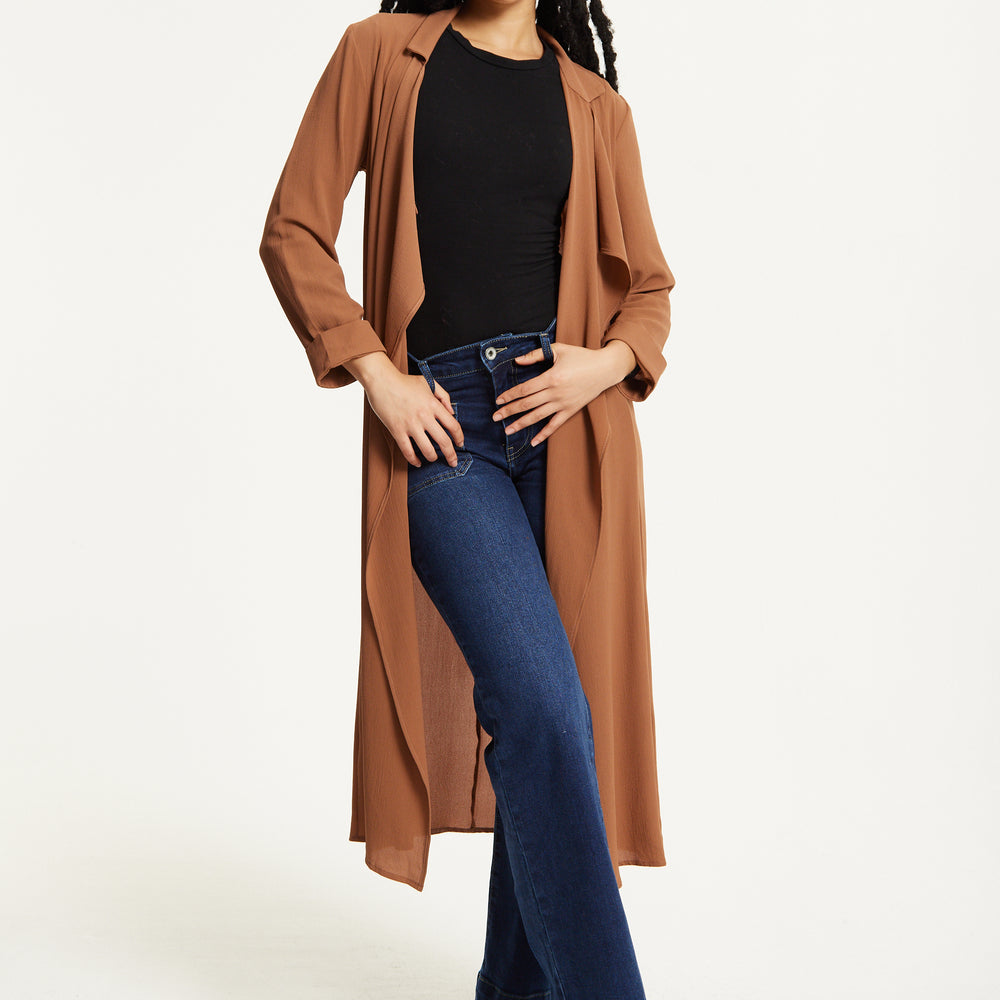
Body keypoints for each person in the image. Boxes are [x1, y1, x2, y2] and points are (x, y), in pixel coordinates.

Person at [258, 2, 676, 998]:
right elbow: (294, 229)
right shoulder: (381, 55)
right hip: (446, 429)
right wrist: (378, 374)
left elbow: (651, 291)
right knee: (540, 703)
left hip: (572, 437)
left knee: (557, 725)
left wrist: (601, 365)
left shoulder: (594, 105)